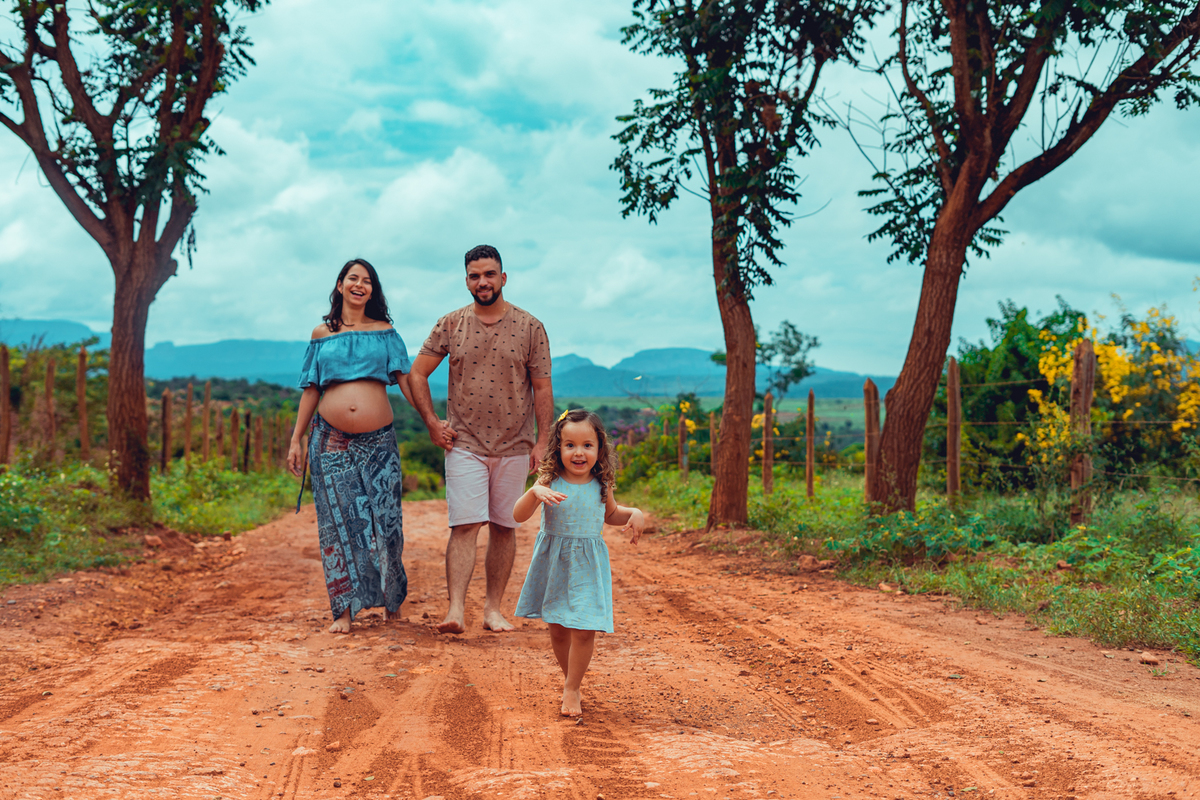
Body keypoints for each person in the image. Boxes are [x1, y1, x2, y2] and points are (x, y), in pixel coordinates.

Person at [408, 244, 554, 634]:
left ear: (503, 278)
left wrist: (543, 443)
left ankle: (493, 610)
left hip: (515, 445)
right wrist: (431, 422)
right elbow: (416, 373)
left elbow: (542, 389)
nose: (482, 282)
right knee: (465, 526)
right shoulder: (450, 324)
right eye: (474, 275)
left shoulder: (530, 327)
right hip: (464, 445)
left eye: (489, 274)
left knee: (505, 527)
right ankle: (455, 610)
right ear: (466, 280)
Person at [287, 258, 414, 634]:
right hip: (330, 438)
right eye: (353, 278)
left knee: (386, 521)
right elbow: (312, 387)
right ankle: (343, 610)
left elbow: (406, 381)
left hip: (379, 439)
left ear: (373, 290)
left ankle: (392, 602)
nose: (360, 285)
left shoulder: (386, 331)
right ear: (340, 285)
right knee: (336, 524)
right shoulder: (321, 333)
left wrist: (432, 421)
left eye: (368, 280)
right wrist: (296, 438)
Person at [512, 408, 644, 717]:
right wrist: (535, 491)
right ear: (558, 448)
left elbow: (610, 515)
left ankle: (571, 688)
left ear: (599, 448)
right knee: (558, 629)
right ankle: (571, 679)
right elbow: (518, 516)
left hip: (587, 565)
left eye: (587, 445)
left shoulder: (601, 484)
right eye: (569, 445)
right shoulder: (549, 481)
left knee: (584, 630)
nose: (579, 452)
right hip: (554, 564)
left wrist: (633, 512)